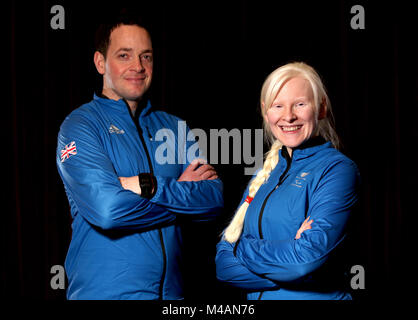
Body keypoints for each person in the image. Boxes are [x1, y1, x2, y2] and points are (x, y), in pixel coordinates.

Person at [56, 13, 223, 300]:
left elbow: (212, 200)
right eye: (124, 55)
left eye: (146, 57)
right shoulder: (80, 125)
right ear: (100, 63)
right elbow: (108, 212)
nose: (138, 67)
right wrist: (182, 194)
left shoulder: (173, 127)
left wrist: (148, 185)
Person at [215, 62, 360, 300]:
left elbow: (302, 263)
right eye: (278, 105)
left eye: (300, 104)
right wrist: (288, 254)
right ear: (265, 111)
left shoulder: (338, 170)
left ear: (321, 108)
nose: (289, 116)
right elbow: (223, 266)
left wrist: (240, 248)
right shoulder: (263, 173)